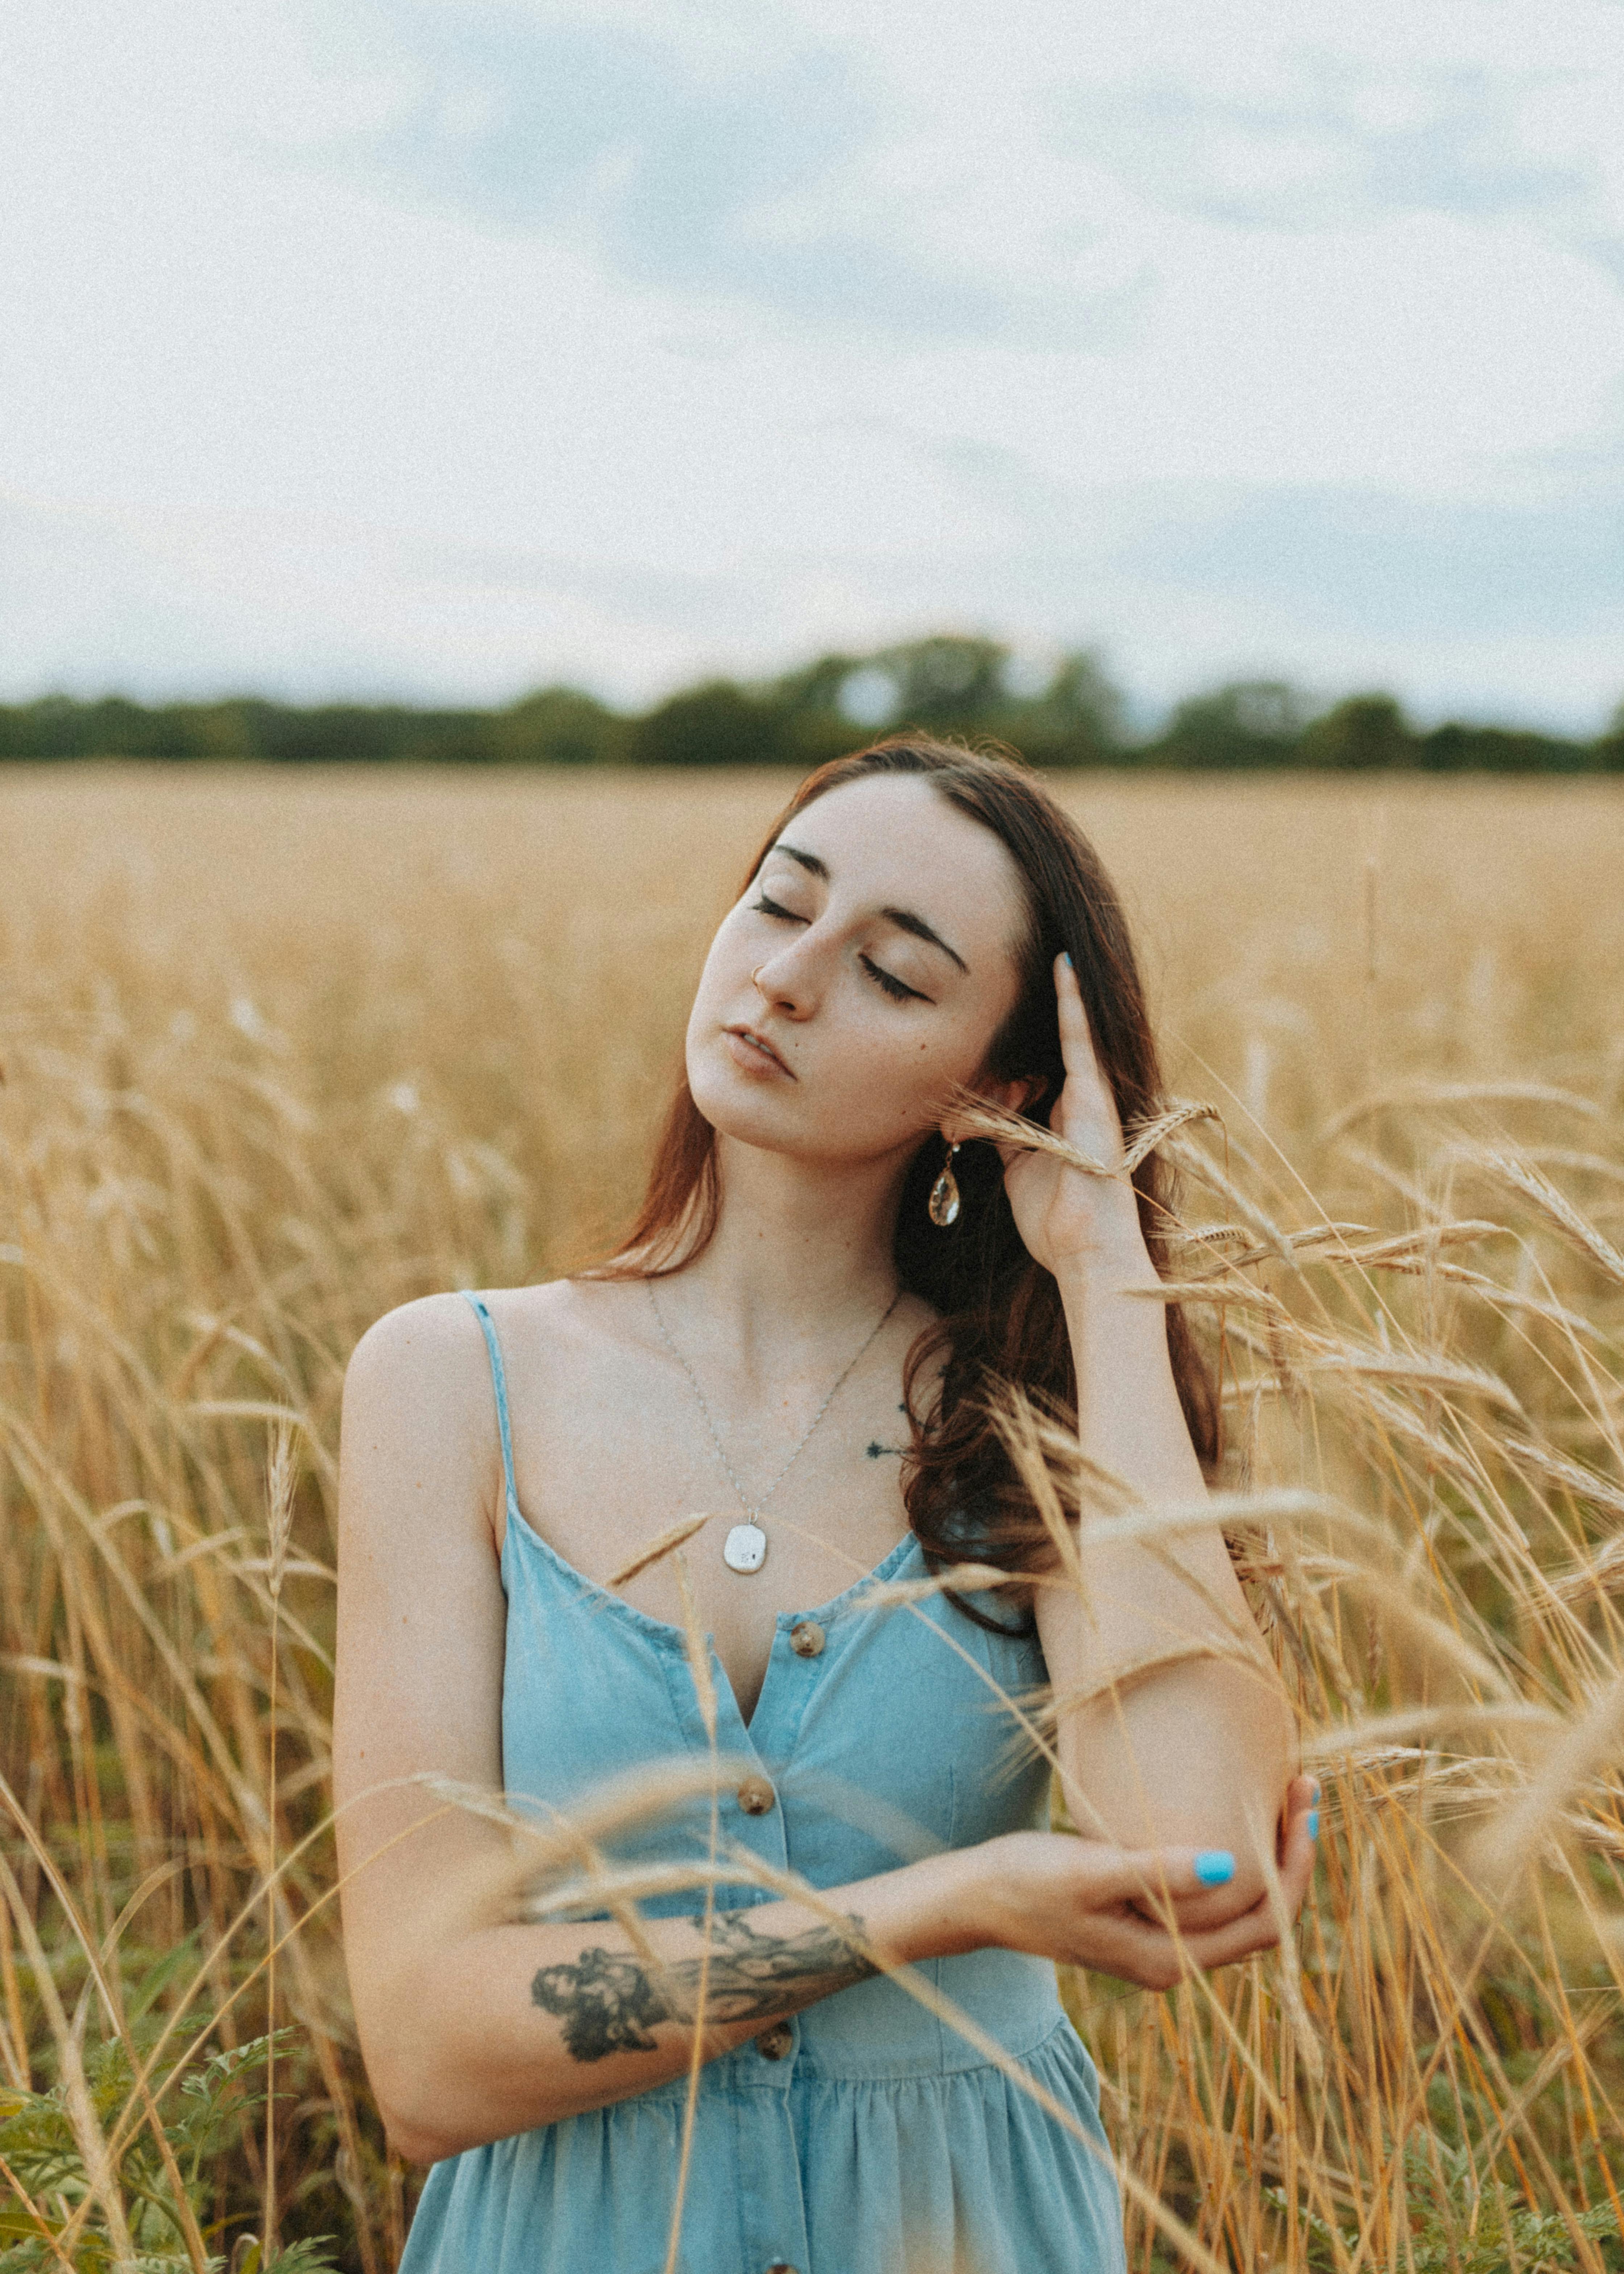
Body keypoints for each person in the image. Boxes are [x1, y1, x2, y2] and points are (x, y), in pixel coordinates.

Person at [333, 737, 1316, 2274]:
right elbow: (426, 2053)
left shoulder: (1038, 1417)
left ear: (998, 1084)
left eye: (894, 975)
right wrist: (943, 1902)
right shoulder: (454, 1380)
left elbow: (1195, 1855)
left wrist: (1106, 1275)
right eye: (775, 904)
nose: (784, 978)